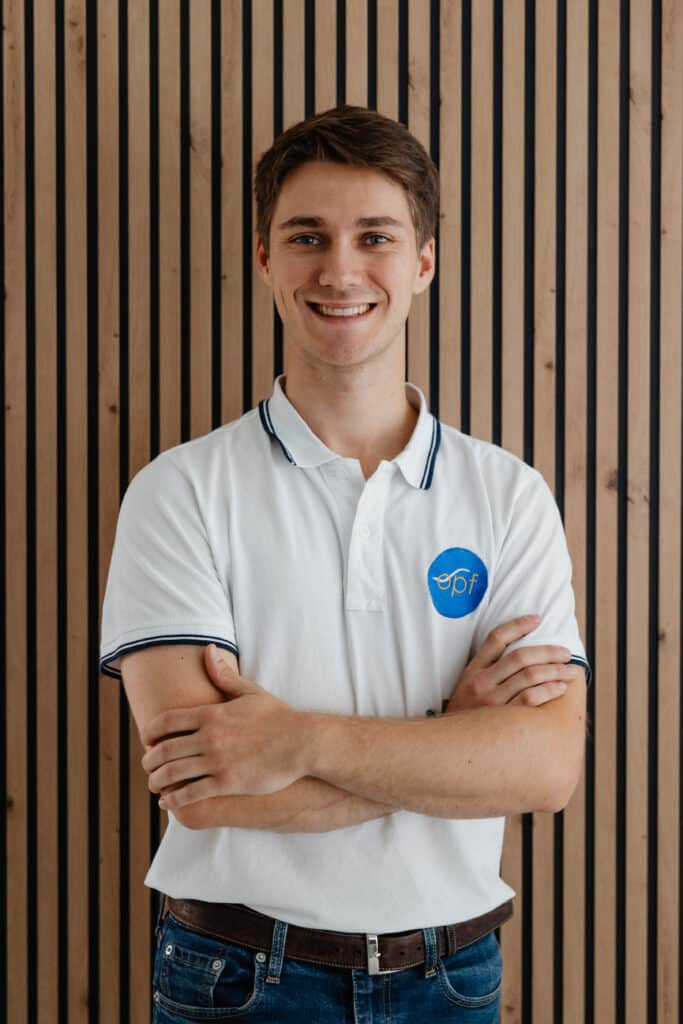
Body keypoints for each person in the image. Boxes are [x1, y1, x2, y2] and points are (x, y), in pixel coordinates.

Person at [99, 104, 591, 1022]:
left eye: (375, 237)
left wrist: (294, 743)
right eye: (306, 237)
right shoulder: (179, 493)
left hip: (454, 977)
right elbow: (203, 792)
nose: (340, 271)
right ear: (264, 260)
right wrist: (453, 739)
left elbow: (542, 771)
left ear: (423, 263)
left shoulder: (506, 495)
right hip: (236, 977)